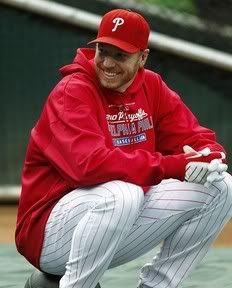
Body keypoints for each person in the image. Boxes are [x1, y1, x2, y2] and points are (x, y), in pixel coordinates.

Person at [16, 8, 232, 288]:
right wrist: (174, 166)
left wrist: (210, 154)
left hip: (113, 219)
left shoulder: (151, 85)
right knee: (122, 192)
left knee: (221, 186)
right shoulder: (72, 90)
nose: (107, 62)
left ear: (143, 57)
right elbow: (89, 167)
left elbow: (193, 135)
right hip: (47, 232)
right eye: (103, 51)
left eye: (120, 55)